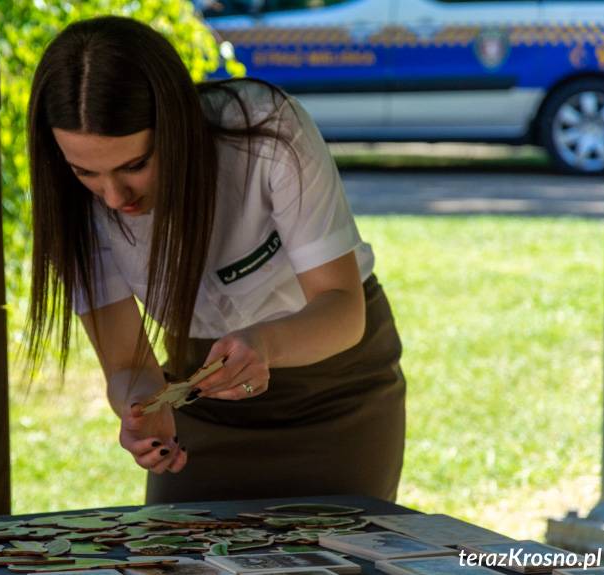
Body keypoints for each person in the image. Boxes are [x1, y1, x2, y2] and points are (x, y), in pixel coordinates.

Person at [26, 16, 406, 504]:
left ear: (178, 126)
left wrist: (264, 344)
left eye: (135, 165)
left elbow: (343, 309)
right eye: (85, 172)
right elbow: (125, 362)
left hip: (337, 389)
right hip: (201, 398)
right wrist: (141, 408)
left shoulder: (265, 131)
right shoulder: (72, 202)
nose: (114, 196)